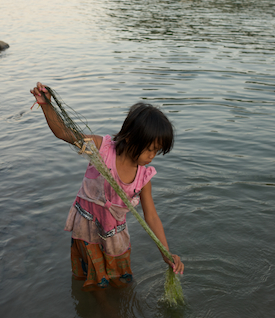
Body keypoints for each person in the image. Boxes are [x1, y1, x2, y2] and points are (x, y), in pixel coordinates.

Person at [30, 82, 184, 290]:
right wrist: (46, 105)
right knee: (93, 283)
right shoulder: (101, 150)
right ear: (130, 138)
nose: (152, 157)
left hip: (114, 236)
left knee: (121, 284)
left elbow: (151, 216)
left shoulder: (144, 177)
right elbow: (65, 133)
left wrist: (166, 253)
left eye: (156, 152)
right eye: (149, 150)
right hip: (86, 230)